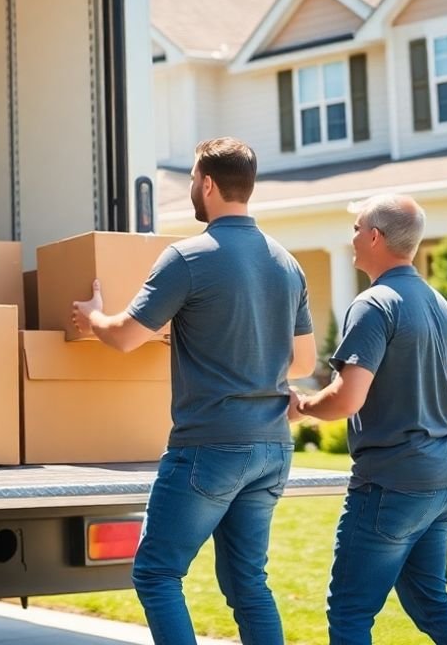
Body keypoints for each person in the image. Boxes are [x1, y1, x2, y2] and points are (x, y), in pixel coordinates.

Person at [72, 137, 317, 645]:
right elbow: (304, 362)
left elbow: (125, 336)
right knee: (249, 584)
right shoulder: (286, 263)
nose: (190, 188)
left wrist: (92, 316)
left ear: (207, 184)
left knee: (157, 573)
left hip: (210, 447)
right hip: (272, 447)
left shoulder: (187, 257)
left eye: (190, 180)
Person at [294, 194, 447, 645]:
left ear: (376, 237)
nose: (353, 237)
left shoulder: (374, 304)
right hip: (443, 480)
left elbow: (346, 400)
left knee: (350, 612)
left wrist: (301, 406)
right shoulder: (441, 306)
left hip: (391, 484)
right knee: (431, 603)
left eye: (357, 229)